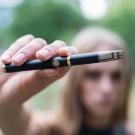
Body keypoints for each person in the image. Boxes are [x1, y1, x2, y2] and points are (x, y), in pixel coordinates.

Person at [0, 27, 134, 135]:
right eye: (93, 75)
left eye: (116, 76)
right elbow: (15, 123)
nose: (107, 88)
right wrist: (8, 102)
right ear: (74, 79)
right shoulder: (48, 130)